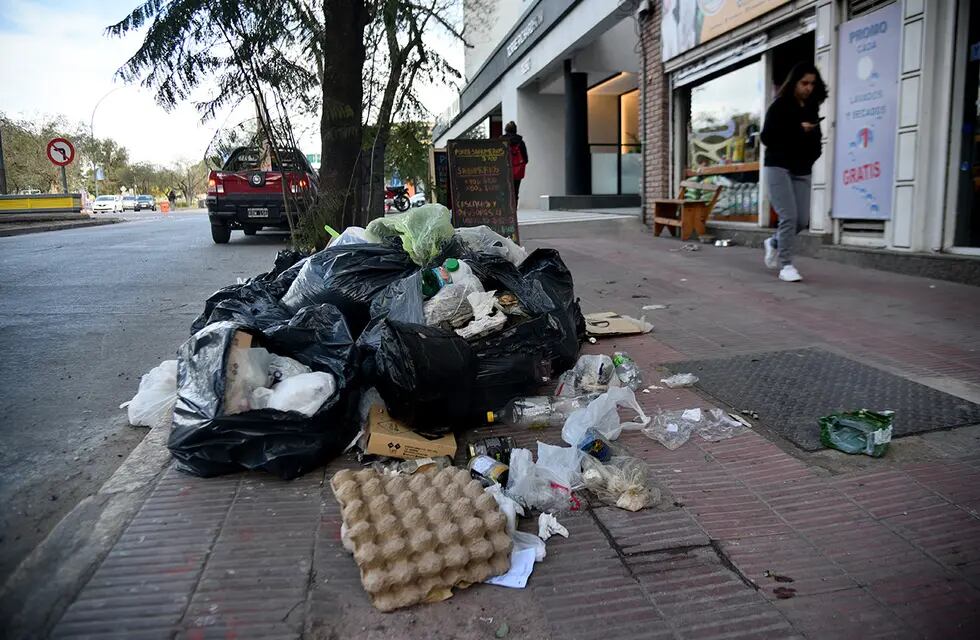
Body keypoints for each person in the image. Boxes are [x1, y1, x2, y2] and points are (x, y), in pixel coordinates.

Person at [760, 62, 827, 282]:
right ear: (794, 83)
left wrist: (811, 153)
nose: (808, 87)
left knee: (800, 220)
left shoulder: (811, 109)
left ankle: (775, 242)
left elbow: (817, 142)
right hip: (778, 166)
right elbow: (766, 137)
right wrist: (798, 130)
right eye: (804, 83)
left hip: (801, 168)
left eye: (812, 84)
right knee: (788, 216)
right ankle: (786, 265)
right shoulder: (780, 106)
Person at [503, 121, 528, 207]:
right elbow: (526, 158)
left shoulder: (501, 141)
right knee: (515, 190)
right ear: (515, 130)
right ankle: (514, 208)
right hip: (517, 170)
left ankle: (506, 207)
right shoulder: (521, 142)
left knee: (505, 189)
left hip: (505, 169)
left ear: (506, 130)